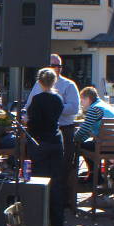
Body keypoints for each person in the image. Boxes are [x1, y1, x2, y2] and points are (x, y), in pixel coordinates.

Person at [26, 54, 79, 210]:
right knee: (39, 170)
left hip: (62, 130)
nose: (55, 69)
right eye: (51, 65)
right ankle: (42, 207)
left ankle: (61, 206)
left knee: (61, 171)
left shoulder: (69, 85)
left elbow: (74, 108)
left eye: (58, 66)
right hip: (42, 132)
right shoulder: (38, 86)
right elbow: (29, 106)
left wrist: (50, 111)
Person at [25, 68, 66, 226]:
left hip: (40, 142)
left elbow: (33, 122)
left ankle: (40, 218)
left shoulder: (37, 99)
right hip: (56, 140)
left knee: (39, 180)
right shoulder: (58, 99)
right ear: (54, 81)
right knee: (56, 181)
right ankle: (57, 220)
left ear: (39, 81)